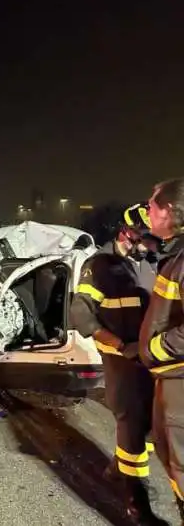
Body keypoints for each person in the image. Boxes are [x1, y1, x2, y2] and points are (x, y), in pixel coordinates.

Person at [69, 203, 165, 525]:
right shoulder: (99, 266)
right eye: (145, 239)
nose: (151, 246)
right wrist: (119, 345)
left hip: (152, 357)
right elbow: (81, 312)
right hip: (121, 360)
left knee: (152, 421)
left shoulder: (150, 262)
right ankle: (136, 501)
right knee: (132, 421)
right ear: (127, 233)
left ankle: (116, 467)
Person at [138, 177, 184, 522]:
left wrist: (157, 347)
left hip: (179, 378)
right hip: (170, 377)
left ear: (169, 210)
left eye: (152, 206)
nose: (148, 212)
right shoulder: (176, 255)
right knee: (173, 459)